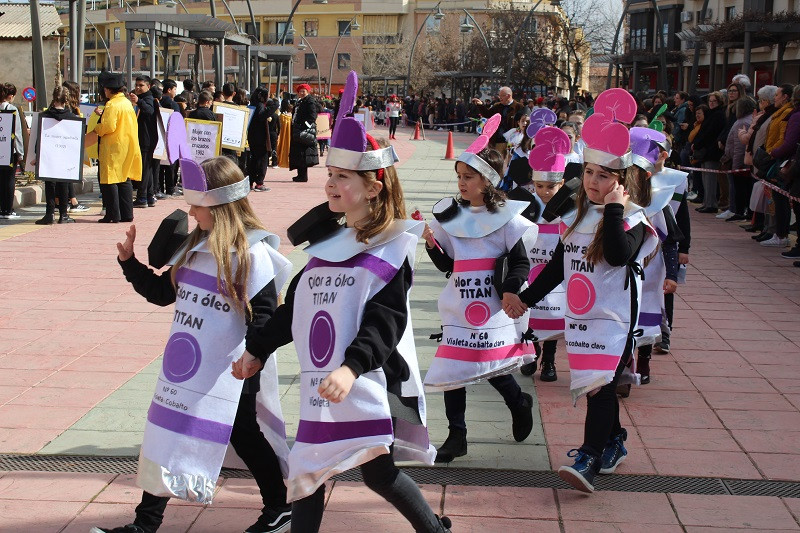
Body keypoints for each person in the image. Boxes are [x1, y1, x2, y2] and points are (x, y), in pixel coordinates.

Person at [233, 71, 450, 533]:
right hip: (322, 383)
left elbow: (385, 323)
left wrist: (351, 367)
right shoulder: (327, 245)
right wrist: (259, 348)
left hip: (367, 380)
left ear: (373, 186)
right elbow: (296, 309)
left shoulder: (393, 247)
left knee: (378, 473)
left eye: (342, 177)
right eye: (329, 175)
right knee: (309, 472)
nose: (329, 184)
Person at [92, 156, 293, 533]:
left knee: (245, 436)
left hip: (232, 369)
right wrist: (129, 262)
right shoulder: (194, 249)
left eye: (196, 203)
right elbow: (161, 293)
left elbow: (264, 315)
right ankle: (144, 524)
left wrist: (254, 355)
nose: (190, 210)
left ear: (220, 205)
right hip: (185, 368)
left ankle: (280, 507)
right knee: (168, 432)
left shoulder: (252, 254)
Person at [515, 89, 658, 493]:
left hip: (614, 321)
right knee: (601, 385)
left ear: (622, 180)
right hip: (580, 321)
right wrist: (524, 299)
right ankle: (614, 441)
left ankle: (590, 456)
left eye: (604, 176)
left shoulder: (631, 218)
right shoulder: (578, 216)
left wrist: (614, 208)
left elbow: (615, 257)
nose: (593, 182)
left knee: (599, 386)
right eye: (590, 172)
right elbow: (560, 266)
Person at [421, 113, 536, 464]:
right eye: (459, 177)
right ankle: (457, 436)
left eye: (468, 177)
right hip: (458, 306)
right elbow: (448, 266)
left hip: (492, 308)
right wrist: (431, 245)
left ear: (487, 181)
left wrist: (511, 290)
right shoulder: (451, 218)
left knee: (488, 365)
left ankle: (518, 401)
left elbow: (520, 263)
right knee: (453, 371)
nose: (461, 183)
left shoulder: (506, 219)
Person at [624, 127, 681, 391]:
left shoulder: (660, 200)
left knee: (646, 317)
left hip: (651, 270)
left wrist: (671, 273)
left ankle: (644, 360)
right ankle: (623, 364)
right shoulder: (616, 199)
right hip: (622, 268)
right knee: (622, 318)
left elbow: (671, 240)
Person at [518, 126, 572, 382]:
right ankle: (532, 353)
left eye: (551, 187)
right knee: (531, 314)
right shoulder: (526, 205)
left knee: (553, 316)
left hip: (557, 273)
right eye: (539, 186)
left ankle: (549, 360)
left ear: (562, 184)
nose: (545, 192)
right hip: (530, 269)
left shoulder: (571, 210)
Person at [94, 72, 142, 224]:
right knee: (124, 179)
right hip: (127, 145)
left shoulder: (112, 104)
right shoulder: (127, 103)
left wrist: (97, 128)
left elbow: (108, 126)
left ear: (108, 90)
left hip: (113, 147)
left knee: (109, 181)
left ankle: (112, 214)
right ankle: (127, 213)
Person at [33, 86, 77, 224]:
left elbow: (39, 138)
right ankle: (63, 214)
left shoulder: (45, 116)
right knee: (63, 183)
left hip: (48, 156)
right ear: (67, 99)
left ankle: (49, 214)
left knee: (49, 184)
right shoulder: (72, 117)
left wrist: (37, 155)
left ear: (53, 97)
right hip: (64, 155)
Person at [693, 92, 726, 213]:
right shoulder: (710, 114)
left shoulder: (718, 115)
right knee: (705, 178)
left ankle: (711, 203)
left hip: (711, 151)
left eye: (714, 101)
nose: (711, 103)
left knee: (710, 179)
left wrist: (698, 144)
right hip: (705, 151)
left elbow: (710, 133)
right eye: (710, 101)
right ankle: (707, 202)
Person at [472, 86, 524, 158]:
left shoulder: (519, 107)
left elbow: (524, 122)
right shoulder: (497, 106)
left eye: (502, 96)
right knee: (497, 161)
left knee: (509, 163)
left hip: (512, 142)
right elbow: (487, 114)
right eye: (499, 96)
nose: (500, 98)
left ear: (508, 96)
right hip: (498, 141)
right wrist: (481, 105)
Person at [131, 76, 159, 209]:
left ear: (148, 86)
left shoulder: (148, 99)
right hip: (145, 138)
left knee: (145, 168)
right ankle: (148, 196)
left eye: (141, 85)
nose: (137, 87)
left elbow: (149, 110)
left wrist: (138, 102)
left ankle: (142, 197)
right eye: (136, 85)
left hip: (147, 139)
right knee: (147, 168)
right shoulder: (145, 98)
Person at [0, 83, 23, 219]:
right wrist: (20, 153)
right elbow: (17, 133)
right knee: (9, 180)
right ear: (10, 96)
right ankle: (7, 210)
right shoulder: (12, 109)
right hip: (9, 151)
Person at [289, 83, 319, 182]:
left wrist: (304, 126)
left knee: (303, 153)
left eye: (303, 91)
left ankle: (303, 176)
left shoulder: (310, 101)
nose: (301, 93)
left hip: (304, 131)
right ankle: (300, 175)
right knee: (299, 153)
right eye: (300, 91)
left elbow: (312, 116)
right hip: (298, 130)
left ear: (307, 91)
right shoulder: (300, 101)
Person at [247, 87, 271, 192]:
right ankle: (259, 183)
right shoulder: (260, 105)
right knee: (262, 160)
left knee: (253, 160)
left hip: (252, 136)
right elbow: (262, 116)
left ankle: (250, 182)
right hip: (260, 138)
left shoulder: (251, 105)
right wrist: (274, 106)